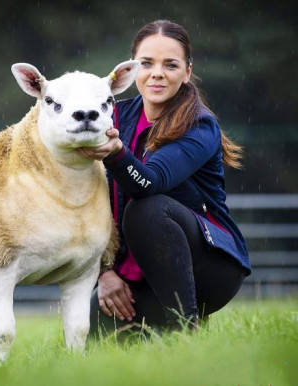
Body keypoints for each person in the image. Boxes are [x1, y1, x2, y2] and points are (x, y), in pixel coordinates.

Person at [76, 20, 250, 334]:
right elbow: (84, 200)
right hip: (133, 273)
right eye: (147, 63)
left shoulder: (200, 126)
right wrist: (104, 272)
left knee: (148, 208)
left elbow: (149, 182)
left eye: (170, 65)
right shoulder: (112, 115)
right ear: (132, 70)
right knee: (97, 336)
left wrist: (116, 154)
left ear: (187, 72)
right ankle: (160, 324)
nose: (157, 73)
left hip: (209, 268)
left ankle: (186, 330)